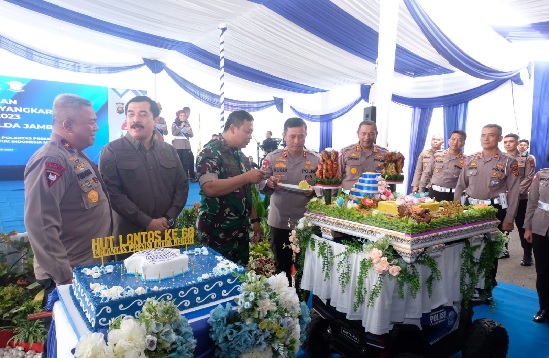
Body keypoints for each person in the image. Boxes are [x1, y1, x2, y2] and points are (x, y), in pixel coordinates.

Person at [24, 94, 113, 345]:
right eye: (91, 122)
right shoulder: (51, 160)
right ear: (67, 125)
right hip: (69, 275)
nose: (96, 127)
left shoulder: (73, 153)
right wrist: (64, 277)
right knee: (71, 343)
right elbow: (40, 223)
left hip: (87, 266)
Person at [99, 96, 188, 246]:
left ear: (155, 120)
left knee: (169, 270)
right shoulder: (112, 151)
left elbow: (182, 186)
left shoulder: (169, 150)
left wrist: (168, 218)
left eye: (142, 114)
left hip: (166, 234)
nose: (135, 119)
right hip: (129, 239)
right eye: (131, 114)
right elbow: (112, 193)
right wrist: (147, 222)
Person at [454, 124, 520, 300]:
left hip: (494, 211)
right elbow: (461, 185)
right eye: (483, 135)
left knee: (490, 251)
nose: (485, 138)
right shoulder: (471, 159)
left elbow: (514, 192)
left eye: (491, 135)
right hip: (470, 210)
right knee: (467, 247)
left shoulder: (509, 162)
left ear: (499, 138)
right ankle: (467, 285)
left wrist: (509, 218)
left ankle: (486, 288)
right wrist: (455, 210)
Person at [195, 110, 265, 265]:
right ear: (233, 128)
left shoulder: (240, 156)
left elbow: (247, 191)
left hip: (240, 230)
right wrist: (247, 176)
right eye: (247, 132)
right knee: (216, 279)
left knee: (240, 278)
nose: (249, 137)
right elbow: (210, 188)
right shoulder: (210, 152)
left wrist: (255, 220)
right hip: (216, 231)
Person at [258, 117, 319, 284]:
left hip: (305, 222)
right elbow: (259, 183)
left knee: (304, 267)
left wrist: (314, 191)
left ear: (306, 135)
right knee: (281, 267)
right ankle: (283, 303)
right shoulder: (271, 157)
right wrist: (268, 183)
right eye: (292, 136)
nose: (297, 141)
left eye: (301, 136)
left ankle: (301, 304)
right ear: (284, 135)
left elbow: (326, 187)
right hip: (280, 220)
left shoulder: (315, 159)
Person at [524, 156, 549, 323]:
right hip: (541, 227)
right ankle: (545, 308)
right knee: (543, 272)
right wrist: (528, 227)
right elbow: (532, 202)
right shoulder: (541, 176)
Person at [503, 133, 536, 263]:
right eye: (505, 142)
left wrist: (514, 192)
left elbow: (529, 177)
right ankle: (503, 249)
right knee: (503, 225)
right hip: (503, 199)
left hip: (520, 199)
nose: (508, 144)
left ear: (517, 143)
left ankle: (527, 255)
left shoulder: (527, 159)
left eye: (511, 141)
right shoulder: (500, 158)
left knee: (523, 226)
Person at [338, 120, 388, 191]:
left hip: (375, 197)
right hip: (348, 196)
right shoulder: (346, 152)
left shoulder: (384, 154)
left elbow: (391, 178)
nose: (367, 137)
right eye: (363, 134)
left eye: (371, 134)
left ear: (376, 134)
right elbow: (336, 176)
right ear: (358, 134)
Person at [420, 130, 466, 202]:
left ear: (463, 143)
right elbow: (427, 173)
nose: (455, 142)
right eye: (453, 139)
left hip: (452, 196)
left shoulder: (466, 160)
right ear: (448, 141)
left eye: (459, 140)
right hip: (434, 193)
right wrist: (421, 191)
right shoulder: (438, 155)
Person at [172, 107, 197, 181]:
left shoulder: (188, 124)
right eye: (181, 115)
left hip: (186, 145)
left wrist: (188, 132)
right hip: (177, 145)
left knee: (186, 163)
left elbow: (192, 135)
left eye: (184, 115)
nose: (182, 117)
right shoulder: (174, 124)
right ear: (178, 116)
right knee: (179, 162)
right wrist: (181, 127)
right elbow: (174, 133)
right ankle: (178, 178)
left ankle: (185, 178)